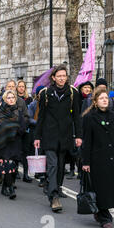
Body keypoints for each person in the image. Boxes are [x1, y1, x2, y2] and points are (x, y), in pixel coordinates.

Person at [35, 64, 82, 212]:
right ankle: (54, 197)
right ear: (53, 78)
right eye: (59, 76)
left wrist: (78, 135)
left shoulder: (73, 93)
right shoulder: (45, 93)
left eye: (64, 76)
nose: (62, 78)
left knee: (61, 166)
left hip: (65, 136)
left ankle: (55, 186)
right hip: (49, 136)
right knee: (53, 165)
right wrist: (37, 136)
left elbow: (77, 117)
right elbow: (40, 117)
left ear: (66, 77)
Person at [82, 88, 114, 228]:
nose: (105, 100)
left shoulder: (113, 116)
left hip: (113, 156)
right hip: (97, 158)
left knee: (110, 187)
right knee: (101, 188)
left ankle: (100, 212)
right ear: (95, 101)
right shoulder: (89, 117)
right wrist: (86, 161)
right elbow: (87, 141)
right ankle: (105, 217)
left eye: (106, 98)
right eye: (101, 98)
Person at [0, 90, 27, 199]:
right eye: (9, 98)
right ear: (4, 99)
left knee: (13, 166)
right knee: (7, 165)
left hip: (15, 142)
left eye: (13, 97)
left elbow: (23, 126)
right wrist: (9, 129)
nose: (11, 99)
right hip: (4, 143)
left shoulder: (18, 112)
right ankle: (11, 188)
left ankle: (4, 188)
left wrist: (17, 130)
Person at [28, 86, 46, 187]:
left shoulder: (49, 104)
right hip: (35, 132)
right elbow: (29, 119)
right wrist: (39, 123)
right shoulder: (33, 105)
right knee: (38, 153)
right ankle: (40, 174)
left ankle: (43, 174)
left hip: (47, 133)